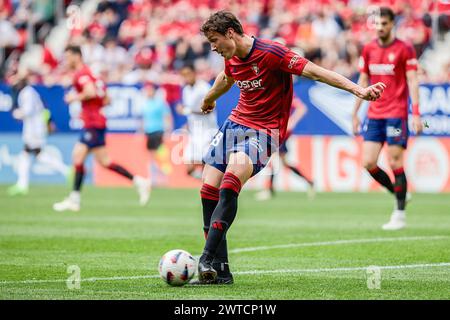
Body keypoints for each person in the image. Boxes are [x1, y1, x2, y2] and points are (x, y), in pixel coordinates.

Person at [194, 10, 385, 284]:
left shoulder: (272, 53)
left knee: (230, 182)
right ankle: (220, 272)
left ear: (231, 33)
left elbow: (316, 72)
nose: (213, 47)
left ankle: (206, 258)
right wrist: (209, 98)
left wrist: (358, 90)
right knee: (208, 188)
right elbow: (227, 78)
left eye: (214, 40)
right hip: (234, 123)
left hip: (264, 131)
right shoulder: (231, 57)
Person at [53, 45, 150, 212]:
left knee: (78, 155)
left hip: (93, 123)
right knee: (104, 162)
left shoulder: (81, 74)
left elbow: (90, 92)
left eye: (68, 56)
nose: (66, 60)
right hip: (97, 122)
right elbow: (107, 99)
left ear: (76, 56)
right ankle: (139, 181)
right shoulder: (91, 74)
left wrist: (74, 97)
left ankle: (74, 200)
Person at [352, 7, 423, 231]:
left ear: (392, 24)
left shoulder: (405, 49)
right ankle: (399, 192)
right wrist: (355, 112)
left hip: (396, 113)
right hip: (374, 114)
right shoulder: (369, 49)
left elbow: (412, 81)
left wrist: (417, 113)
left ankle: (399, 215)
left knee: (395, 162)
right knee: (368, 163)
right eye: (377, 24)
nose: (380, 27)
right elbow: (363, 81)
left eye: (384, 23)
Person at [7, 71, 69, 196]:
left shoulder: (27, 93)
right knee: (29, 154)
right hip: (33, 128)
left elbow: (28, 111)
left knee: (34, 153)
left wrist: (17, 113)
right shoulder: (28, 92)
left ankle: (66, 170)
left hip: (34, 129)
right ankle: (22, 184)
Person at [254, 95, 315, 201]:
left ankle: (269, 190)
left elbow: (302, 108)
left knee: (272, 159)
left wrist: (292, 121)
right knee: (284, 162)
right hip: (278, 129)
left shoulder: (285, 92)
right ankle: (309, 182)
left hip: (281, 130)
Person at [176, 64, 218, 179]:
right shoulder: (186, 90)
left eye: (188, 74)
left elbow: (209, 110)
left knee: (206, 162)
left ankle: (210, 186)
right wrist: (188, 124)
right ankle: (208, 182)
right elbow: (189, 112)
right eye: (183, 75)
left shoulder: (203, 88)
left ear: (194, 74)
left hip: (206, 130)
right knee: (189, 166)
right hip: (194, 131)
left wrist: (186, 110)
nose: (186, 78)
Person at [140, 81, 173, 185]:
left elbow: (167, 116)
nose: (148, 92)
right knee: (151, 155)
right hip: (148, 132)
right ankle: (154, 178)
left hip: (158, 131)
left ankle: (164, 176)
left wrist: (168, 130)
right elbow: (144, 119)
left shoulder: (160, 103)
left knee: (159, 154)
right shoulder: (145, 103)